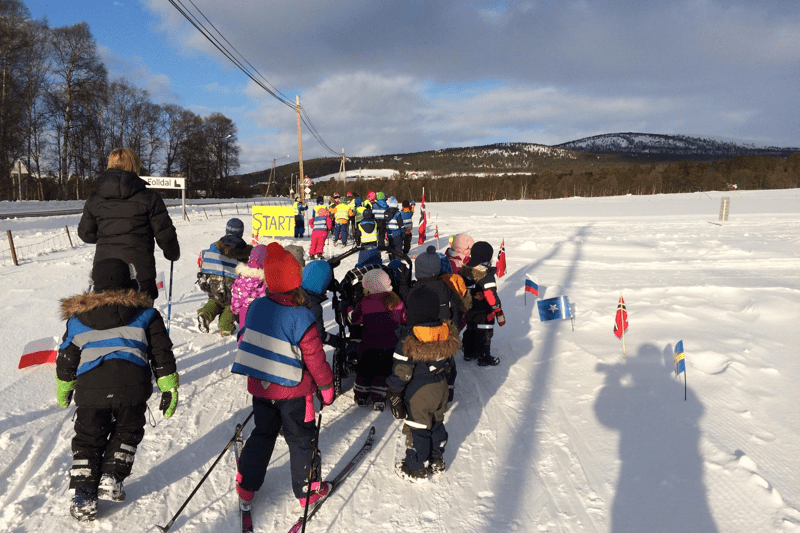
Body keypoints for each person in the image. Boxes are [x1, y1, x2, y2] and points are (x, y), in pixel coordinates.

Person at [56, 258, 178, 522]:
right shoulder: (146, 315)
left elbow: (67, 357)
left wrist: (64, 386)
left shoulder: (78, 320)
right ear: (130, 282)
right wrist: (168, 385)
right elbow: (161, 353)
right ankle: (112, 476)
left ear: (94, 284)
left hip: (91, 392)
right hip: (132, 389)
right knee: (127, 431)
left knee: (88, 439)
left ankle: (84, 495)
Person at [231, 243, 335, 509]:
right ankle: (308, 491)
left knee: (263, 434)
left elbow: (246, 337)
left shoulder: (255, 308)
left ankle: (246, 487)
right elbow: (315, 358)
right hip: (295, 394)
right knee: (301, 440)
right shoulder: (302, 316)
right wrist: (326, 387)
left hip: (262, 390)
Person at [78, 148, 180, 300]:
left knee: (108, 319)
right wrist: (172, 252)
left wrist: (108, 234)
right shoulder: (149, 197)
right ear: (134, 166)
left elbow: (86, 234)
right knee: (141, 320)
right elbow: (164, 234)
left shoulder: (95, 198)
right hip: (140, 273)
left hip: (105, 273)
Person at [386, 286, 459, 481]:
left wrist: (394, 392)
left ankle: (416, 466)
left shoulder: (410, 339)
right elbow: (451, 366)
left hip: (420, 393)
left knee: (418, 429)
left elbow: (402, 372)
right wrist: (450, 388)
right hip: (441, 386)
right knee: (436, 423)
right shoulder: (445, 335)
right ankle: (437, 459)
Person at [409, 245, 466, 402]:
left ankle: (420, 389)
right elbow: (456, 310)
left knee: (421, 365)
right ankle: (448, 390)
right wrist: (454, 330)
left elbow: (409, 313)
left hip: (421, 336)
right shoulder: (445, 288)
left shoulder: (415, 289)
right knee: (447, 365)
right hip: (444, 335)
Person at [345, 269, 405, 410]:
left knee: (364, 371)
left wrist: (347, 308)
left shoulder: (365, 303)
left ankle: (361, 394)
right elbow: (404, 319)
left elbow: (355, 320)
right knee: (383, 371)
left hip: (369, 346)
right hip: (390, 346)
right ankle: (379, 397)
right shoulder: (396, 301)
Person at [196, 218, 253, 336]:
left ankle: (205, 315)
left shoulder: (216, 245)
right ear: (241, 232)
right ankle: (225, 327)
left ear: (227, 230)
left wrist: (203, 276)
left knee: (215, 300)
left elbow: (205, 257)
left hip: (214, 280)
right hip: (232, 283)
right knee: (230, 305)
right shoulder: (243, 250)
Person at [460, 241, 504, 366]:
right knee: (485, 332)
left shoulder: (466, 269)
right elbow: (491, 295)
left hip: (468, 308)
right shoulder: (485, 274)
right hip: (484, 310)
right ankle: (484, 356)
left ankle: (468, 353)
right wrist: (498, 310)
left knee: (470, 329)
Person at [301, 259, 339, 348]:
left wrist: (326, 266)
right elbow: (319, 335)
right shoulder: (314, 306)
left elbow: (314, 271)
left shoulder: (297, 294)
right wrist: (338, 342)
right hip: (304, 353)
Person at [230, 244, 268, 325]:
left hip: (244, 313)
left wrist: (236, 311)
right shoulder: (266, 278)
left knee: (244, 334)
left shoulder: (241, 277)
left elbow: (235, 296)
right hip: (261, 313)